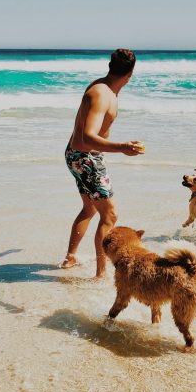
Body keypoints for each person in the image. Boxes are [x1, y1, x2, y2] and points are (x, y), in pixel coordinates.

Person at [60, 49, 142, 277]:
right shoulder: (102, 94)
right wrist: (122, 147)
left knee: (89, 208)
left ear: (110, 66)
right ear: (131, 73)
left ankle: (71, 257)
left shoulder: (103, 87)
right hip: (85, 157)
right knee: (110, 215)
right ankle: (101, 273)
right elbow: (86, 136)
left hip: (76, 156)